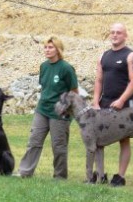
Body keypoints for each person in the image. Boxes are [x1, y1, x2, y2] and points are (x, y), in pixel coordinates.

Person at [18, 36, 78, 179]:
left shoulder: (66, 68)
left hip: (59, 113)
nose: (47, 50)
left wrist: (66, 111)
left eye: (50, 47)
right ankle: (25, 172)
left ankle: (60, 176)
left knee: (58, 146)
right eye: (45, 47)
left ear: (58, 49)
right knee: (34, 141)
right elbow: (45, 87)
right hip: (42, 110)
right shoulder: (44, 66)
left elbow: (74, 92)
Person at [92, 23, 133, 186]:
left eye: (118, 33)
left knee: (124, 140)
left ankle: (120, 176)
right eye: (112, 32)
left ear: (125, 35)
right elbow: (98, 80)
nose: (115, 35)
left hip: (125, 104)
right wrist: (95, 101)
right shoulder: (103, 56)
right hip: (105, 103)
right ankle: (100, 174)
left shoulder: (131, 56)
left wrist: (121, 100)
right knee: (98, 139)